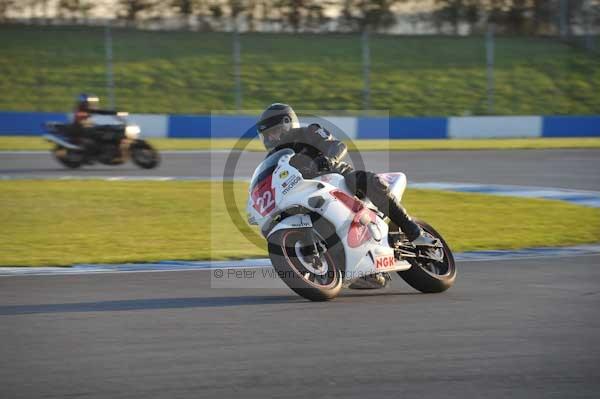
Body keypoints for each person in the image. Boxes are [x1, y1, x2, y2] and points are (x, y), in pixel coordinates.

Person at [257, 103, 439, 289]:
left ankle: (414, 232)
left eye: (274, 131)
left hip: (336, 177)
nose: (270, 138)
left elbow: (337, 145)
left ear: (288, 123)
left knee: (364, 181)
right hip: (307, 191)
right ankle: (349, 265)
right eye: (266, 135)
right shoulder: (274, 159)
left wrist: (328, 158)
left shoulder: (309, 132)